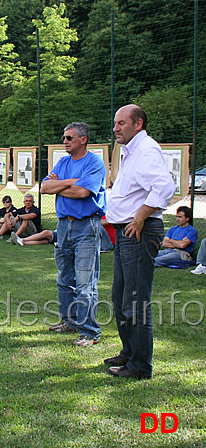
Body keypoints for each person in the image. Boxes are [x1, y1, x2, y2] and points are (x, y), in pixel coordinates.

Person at [105, 104, 175, 379]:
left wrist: (139, 218)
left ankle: (140, 365)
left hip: (139, 232)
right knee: (120, 296)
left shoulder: (146, 150)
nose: (116, 128)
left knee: (134, 300)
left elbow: (165, 187)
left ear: (139, 124)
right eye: (115, 123)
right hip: (126, 233)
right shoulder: (131, 151)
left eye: (122, 123)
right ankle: (129, 353)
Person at [40, 122, 107, 347]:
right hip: (64, 226)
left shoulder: (95, 162)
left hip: (87, 226)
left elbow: (82, 192)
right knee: (64, 278)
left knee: (85, 281)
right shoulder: (63, 162)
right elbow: (44, 187)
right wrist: (69, 182)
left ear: (83, 139)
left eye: (69, 138)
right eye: (64, 138)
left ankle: (89, 332)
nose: (65, 141)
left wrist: (59, 185)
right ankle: (69, 321)